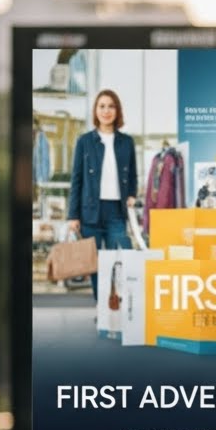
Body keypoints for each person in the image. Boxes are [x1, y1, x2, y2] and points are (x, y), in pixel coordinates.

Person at [68, 89, 137, 300]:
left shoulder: (127, 142)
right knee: (97, 264)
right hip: (90, 212)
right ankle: (103, 309)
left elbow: (132, 173)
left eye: (111, 106)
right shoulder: (84, 141)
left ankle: (123, 304)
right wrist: (73, 215)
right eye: (102, 106)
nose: (106, 111)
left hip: (116, 211)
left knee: (123, 259)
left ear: (117, 111)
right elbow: (76, 180)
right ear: (95, 111)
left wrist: (132, 194)